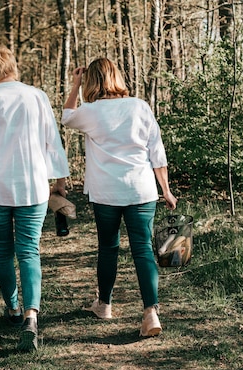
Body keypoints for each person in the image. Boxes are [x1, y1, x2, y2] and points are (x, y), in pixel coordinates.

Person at [0, 47, 70, 351]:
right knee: (29, 251)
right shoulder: (37, 96)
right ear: (12, 67)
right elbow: (52, 140)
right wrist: (60, 180)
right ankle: (31, 317)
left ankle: (13, 309)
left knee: (2, 251)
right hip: (33, 188)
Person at [61, 58, 178, 337]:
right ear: (116, 77)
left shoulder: (90, 111)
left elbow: (66, 117)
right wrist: (166, 189)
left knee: (108, 248)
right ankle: (150, 312)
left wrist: (75, 83)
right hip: (141, 190)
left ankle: (104, 305)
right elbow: (156, 152)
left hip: (106, 192)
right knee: (143, 249)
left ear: (92, 81)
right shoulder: (139, 106)